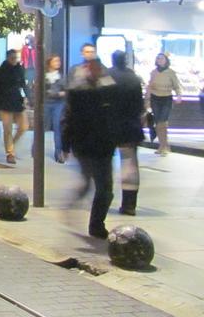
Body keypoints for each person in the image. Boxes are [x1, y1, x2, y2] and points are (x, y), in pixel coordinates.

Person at [62, 47, 116, 239]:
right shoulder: (78, 93)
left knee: (102, 188)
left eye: (96, 67)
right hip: (85, 145)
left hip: (103, 145)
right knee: (101, 187)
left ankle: (95, 224)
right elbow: (68, 118)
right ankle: (95, 225)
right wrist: (65, 145)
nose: (93, 70)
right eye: (89, 66)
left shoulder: (108, 89)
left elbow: (115, 116)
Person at [110, 50, 144, 216]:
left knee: (104, 165)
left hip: (108, 127)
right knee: (130, 165)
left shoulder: (107, 76)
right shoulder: (134, 78)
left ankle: (104, 198)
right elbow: (140, 105)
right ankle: (129, 204)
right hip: (130, 127)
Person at [0, 49, 28, 164]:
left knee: (24, 126)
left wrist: (28, 97)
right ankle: (10, 153)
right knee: (7, 129)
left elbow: (23, 85)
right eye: (12, 58)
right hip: (4, 103)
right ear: (7, 58)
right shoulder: (0, 70)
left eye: (16, 58)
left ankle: (11, 144)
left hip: (18, 102)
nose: (14, 60)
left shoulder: (20, 69)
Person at [147, 53, 181, 155]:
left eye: (162, 58)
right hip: (155, 98)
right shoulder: (153, 72)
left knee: (163, 121)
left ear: (166, 60)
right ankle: (162, 145)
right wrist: (147, 100)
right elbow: (149, 86)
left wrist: (179, 95)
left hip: (166, 98)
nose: (160, 60)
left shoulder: (171, 73)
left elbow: (177, 86)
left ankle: (164, 145)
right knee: (158, 122)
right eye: (158, 58)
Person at [45, 54, 67, 163]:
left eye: (59, 61)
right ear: (49, 63)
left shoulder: (61, 76)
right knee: (41, 127)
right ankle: (35, 148)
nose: (58, 63)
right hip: (46, 104)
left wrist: (55, 93)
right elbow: (42, 91)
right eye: (55, 61)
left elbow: (65, 91)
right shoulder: (44, 76)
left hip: (58, 104)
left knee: (57, 127)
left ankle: (58, 152)